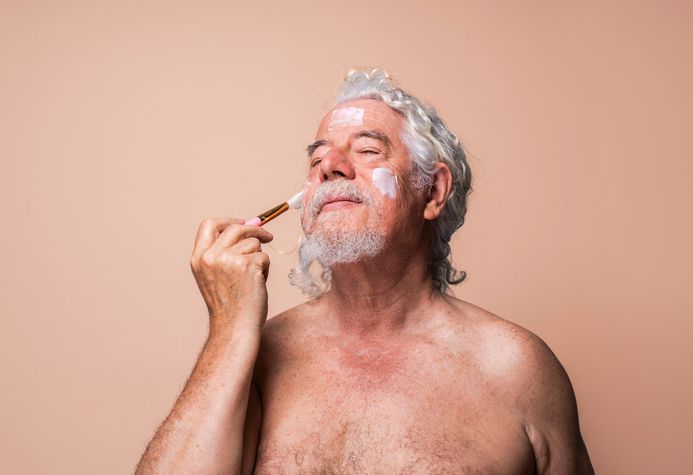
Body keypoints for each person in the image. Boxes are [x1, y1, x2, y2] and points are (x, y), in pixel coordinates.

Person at [136, 69, 595, 474]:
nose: (330, 167)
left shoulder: (516, 368)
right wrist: (229, 325)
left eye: (368, 150)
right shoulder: (256, 361)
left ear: (433, 192)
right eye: (317, 160)